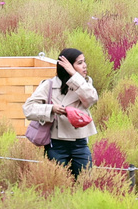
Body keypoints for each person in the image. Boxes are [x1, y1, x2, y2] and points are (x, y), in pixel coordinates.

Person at [23, 48, 98, 179]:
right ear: (66, 65)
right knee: (58, 182)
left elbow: (92, 99)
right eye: (80, 63)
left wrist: (74, 74)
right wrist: (51, 109)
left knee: (85, 181)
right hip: (56, 144)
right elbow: (28, 109)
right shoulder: (49, 85)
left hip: (80, 143)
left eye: (84, 62)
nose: (84, 66)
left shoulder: (85, 84)